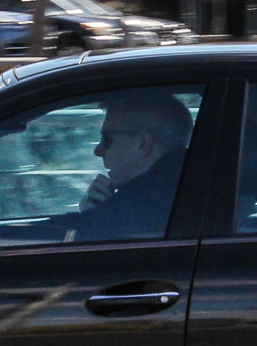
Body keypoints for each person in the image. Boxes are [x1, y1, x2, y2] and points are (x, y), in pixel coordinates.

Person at [69, 89, 194, 241]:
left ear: (142, 144)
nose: (98, 151)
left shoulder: (144, 203)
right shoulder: (176, 186)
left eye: (106, 139)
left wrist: (99, 218)